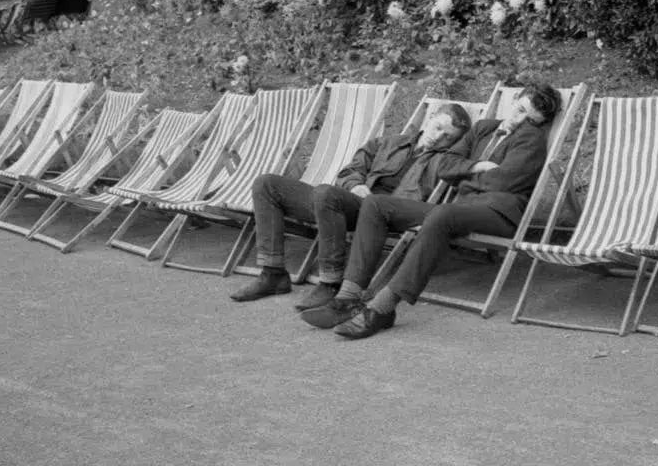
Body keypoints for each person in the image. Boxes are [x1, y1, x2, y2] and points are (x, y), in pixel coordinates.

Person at [299, 83, 562, 339]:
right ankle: (347, 298)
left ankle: (382, 309)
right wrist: (477, 167)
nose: (519, 120)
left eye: (530, 119)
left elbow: (502, 182)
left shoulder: (531, 139)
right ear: (514, 101)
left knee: (443, 214)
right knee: (376, 204)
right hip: (461, 208)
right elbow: (445, 166)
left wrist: (463, 174)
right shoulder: (484, 128)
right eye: (520, 110)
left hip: (498, 212)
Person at [229, 102, 475, 307]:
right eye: (438, 127)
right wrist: (355, 185)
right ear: (429, 118)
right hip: (349, 204)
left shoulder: (445, 162)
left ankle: (331, 282)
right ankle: (273, 274)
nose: (438, 137)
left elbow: (454, 187)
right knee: (267, 184)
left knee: (326, 193)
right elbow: (350, 171)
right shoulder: (387, 143)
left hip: (384, 214)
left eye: (448, 137)